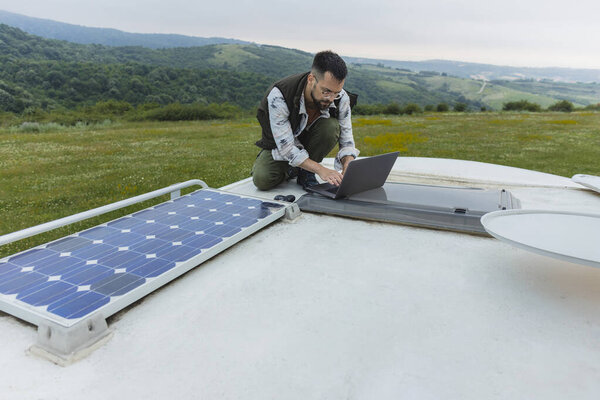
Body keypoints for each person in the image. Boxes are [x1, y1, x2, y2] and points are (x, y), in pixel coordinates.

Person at [253, 50, 360, 190]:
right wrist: (321, 170)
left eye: (336, 93)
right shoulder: (279, 96)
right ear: (311, 79)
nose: (331, 98)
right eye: (326, 91)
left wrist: (348, 164)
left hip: (313, 141)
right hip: (282, 144)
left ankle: (306, 171)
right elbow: (286, 147)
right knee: (263, 179)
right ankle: (295, 168)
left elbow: (346, 138)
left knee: (331, 127)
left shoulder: (342, 97)